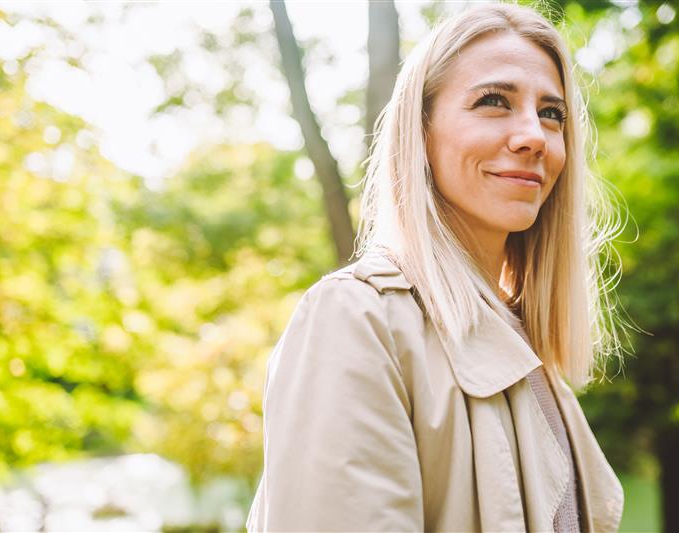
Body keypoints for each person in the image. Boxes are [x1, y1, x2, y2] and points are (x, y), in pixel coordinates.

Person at [247, 3, 626, 532]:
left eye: (552, 113)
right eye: (494, 101)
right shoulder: (357, 321)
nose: (534, 136)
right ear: (420, 131)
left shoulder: (530, 353)